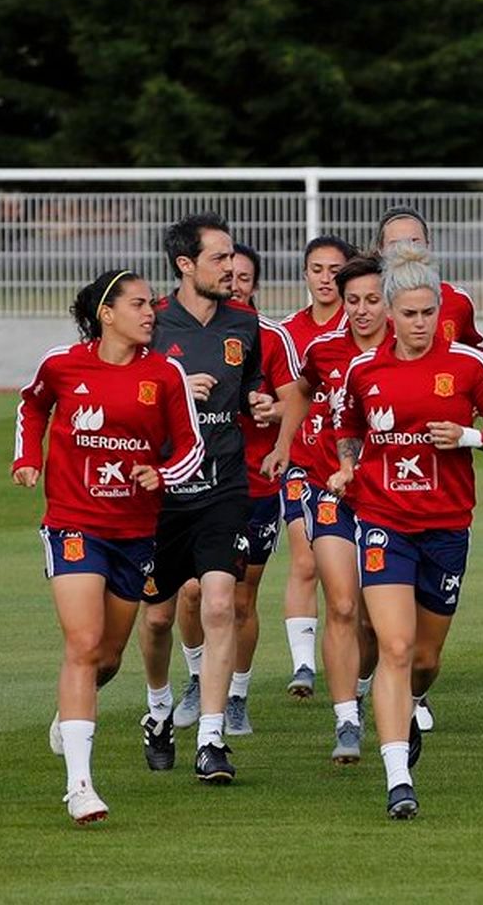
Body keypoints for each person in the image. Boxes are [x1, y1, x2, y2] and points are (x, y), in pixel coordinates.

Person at [330, 242, 483, 818]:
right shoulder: (364, 370)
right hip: (383, 521)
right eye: (409, 313)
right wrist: (347, 466)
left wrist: (468, 437)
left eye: (428, 312)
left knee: (423, 658)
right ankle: (398, 779)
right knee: (393, 645)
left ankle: (413, 701)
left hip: (445, 527)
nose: (419, 323)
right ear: (389, 312)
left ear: (440, 311)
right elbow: (348, 425)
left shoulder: (466, 366)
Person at [16, 271, 205, 823]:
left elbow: (190, 447)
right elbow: (32, 406)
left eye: (151, 304)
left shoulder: (164, 374)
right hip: (73, 522)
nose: (150, 313)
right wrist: (27, 457)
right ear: (107, 313)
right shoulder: (62, 364)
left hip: (135, 531)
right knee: (82, 641)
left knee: (106, 658)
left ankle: (70, 707)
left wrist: (161, 473)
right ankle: (80, 787)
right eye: (139, 304)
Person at [137, 214, 302, 784]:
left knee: (219, 602)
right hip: (162, 489)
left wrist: (262, 407)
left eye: (233, 257)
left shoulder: (245, 323)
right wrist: (176, 389)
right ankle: (159, 709)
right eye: (220, 258)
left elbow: (262, 386)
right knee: (159, 616)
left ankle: (211, 739)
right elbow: (121, 396)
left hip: (224, 484)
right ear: (186, 265)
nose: (232, 267)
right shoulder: (152, 321)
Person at [176, 243, 301, 740]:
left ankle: (236, 697)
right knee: (191, 592)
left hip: (253, 483)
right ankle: (196, 676)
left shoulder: (268, 335)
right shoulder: (177, 329)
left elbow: (298, 399)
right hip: (193, 480)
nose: (236, 282)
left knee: (240, 599)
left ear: (255, 284)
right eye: (229, 273)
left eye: (244, 277)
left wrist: (275, 416)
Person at [288, 255, 391, 763]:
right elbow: (302, 390)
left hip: (392, 499)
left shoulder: (407, 351)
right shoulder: (324, 349)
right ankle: (346, 718)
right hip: (329, 490)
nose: (362, 310)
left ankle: (372, 685)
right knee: (344, 605)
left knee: (373, 622)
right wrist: (284, 445)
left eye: (372, 300)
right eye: (353, 301)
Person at [278, 235, 358, 699]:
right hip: (303, 464)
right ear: (304, 274)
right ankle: (304, 664)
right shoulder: (288, 331)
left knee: (350, 582)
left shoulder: (363, 327)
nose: (325, 279)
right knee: (304, 558)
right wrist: (270, 411)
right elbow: (284, 393)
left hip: (354, 470)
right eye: (317, 269)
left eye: (335, 270)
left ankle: (359, 666)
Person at [374, 205, 483, 349]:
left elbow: (471, 352)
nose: (406, 249)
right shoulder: (365, 303)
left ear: (427, 245)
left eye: (414, 241)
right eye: (395, 244)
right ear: (380, 249)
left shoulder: (457, 300)